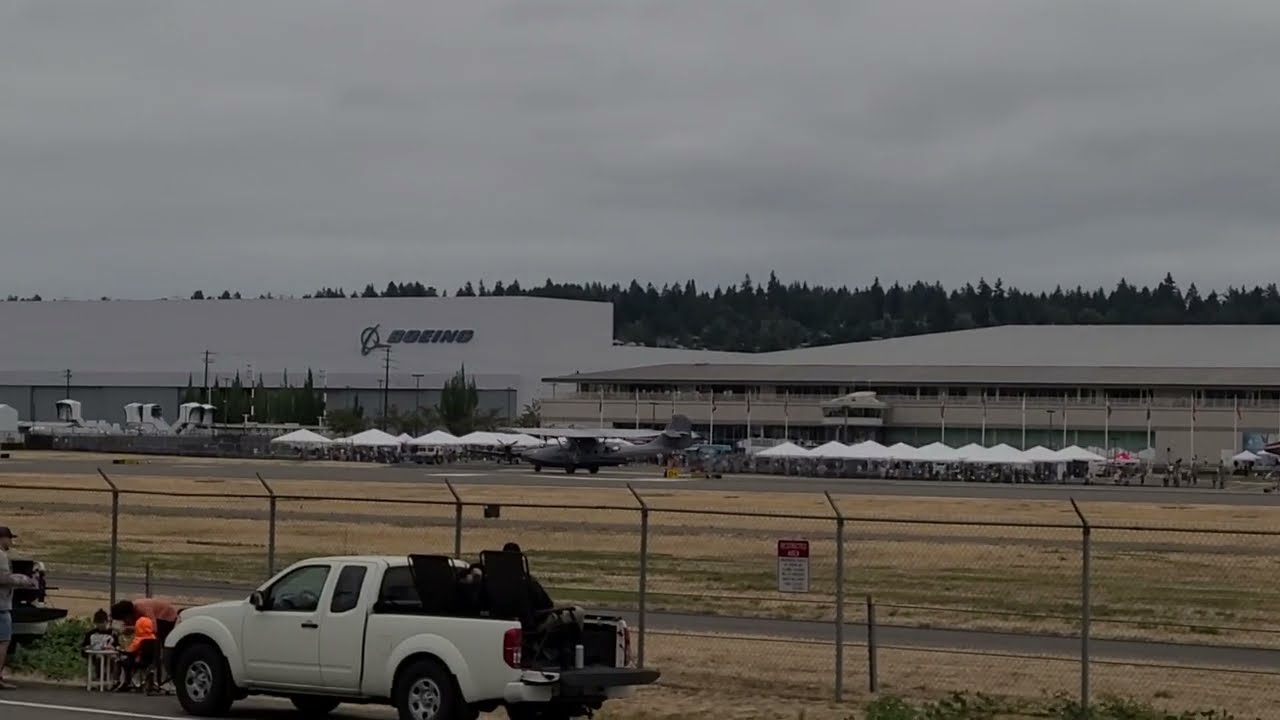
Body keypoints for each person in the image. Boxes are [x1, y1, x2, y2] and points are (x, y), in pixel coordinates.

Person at [0, 526, 36, 691]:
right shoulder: (1, 555)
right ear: (3, 538)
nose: (11, 542)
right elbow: (3, 578)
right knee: (3, 642)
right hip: (1, 606)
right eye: (9, 538)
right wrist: (23, 580)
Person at [115, 615, 157, 692]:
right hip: (150, 662)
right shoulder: (153, 638)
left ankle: (125, 682)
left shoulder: (139, 639)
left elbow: (130, 651)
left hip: (137, 661)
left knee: (122, 662)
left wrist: (120, 650)